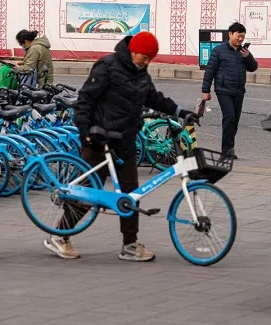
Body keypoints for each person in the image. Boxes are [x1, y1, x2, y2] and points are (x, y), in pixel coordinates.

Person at [44, 31, 196, 262]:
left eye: (149, 58)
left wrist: (179, 111)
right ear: (132, 50)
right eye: (143, 56)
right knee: (88, 192)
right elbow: (85, 100)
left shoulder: (141, 73)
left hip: (125, 141)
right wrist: (85, 132)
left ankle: (130, 245)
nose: (145, 62)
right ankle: (60, 235)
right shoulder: (108, 66)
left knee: (130, 195)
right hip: (99, 140)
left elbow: (153, 98)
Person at [201, 21, 258, 160]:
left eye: (243, 37)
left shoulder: (243, 52)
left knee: (235, 121)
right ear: (230, 34)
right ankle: (225, 151)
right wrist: (205, 90)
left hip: (239, 91)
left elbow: (253, 67)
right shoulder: (219, 50)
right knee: (229, 118)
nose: (240, 39)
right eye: (238, 36)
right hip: (223, 90)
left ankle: (229, 148)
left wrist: (248, 57)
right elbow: (210, 71)